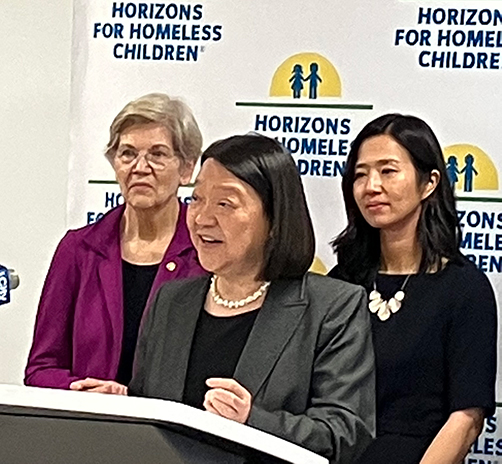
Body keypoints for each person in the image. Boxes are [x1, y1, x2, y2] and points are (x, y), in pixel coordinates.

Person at [129, 134, 375, 463]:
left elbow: (345, 434)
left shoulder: (332, 306)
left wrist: (252, 420)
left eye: (225, 204)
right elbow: (150, 410)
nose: (202, 218)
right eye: (197, 199)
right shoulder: (171, 301)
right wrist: (118, 407)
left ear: (274, 219)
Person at [329, 113, 497, 464]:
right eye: (361, 174)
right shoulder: (342, 281)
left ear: (429, 182)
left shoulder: (465, 288)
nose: (371, 185)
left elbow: (467, 419)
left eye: (388, 171)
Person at [25, 93, 206, 393]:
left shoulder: (207, 253)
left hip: (173, 434)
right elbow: (41, 368)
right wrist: (80, 388)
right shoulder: (77, 250)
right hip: (93, 430)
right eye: (127, 154)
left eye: (158, 154)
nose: (140, 167)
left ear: (186, 169)